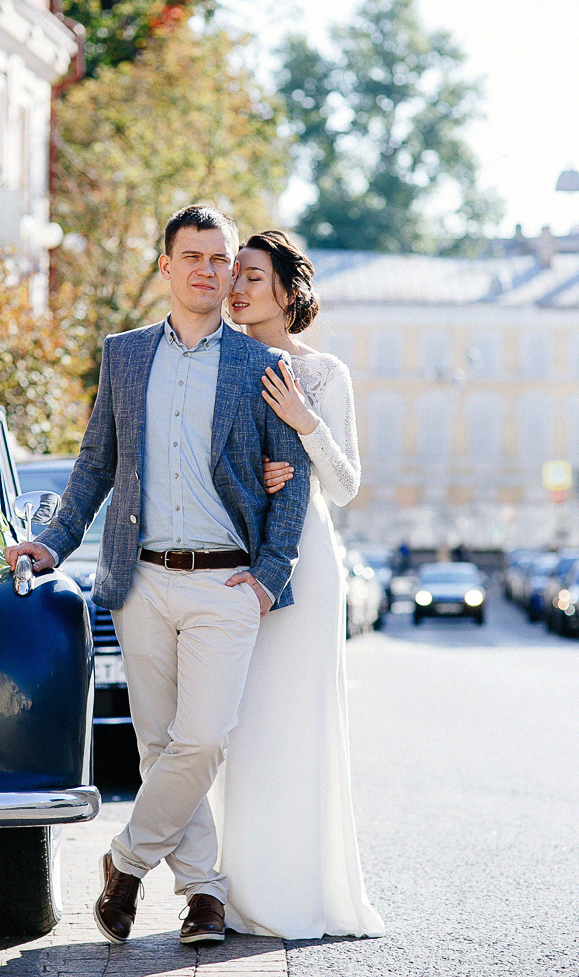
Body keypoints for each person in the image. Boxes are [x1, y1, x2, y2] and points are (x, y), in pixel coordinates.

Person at [5, 206, 310, 946]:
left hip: (227, 584)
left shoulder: (262, 365)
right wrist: (51, 541)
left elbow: (291, 474)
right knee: (155, 746)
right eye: (193, 256)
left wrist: (269, 575)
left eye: (220, 258)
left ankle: (125, 862)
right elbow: (95, 463)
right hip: (138, 579)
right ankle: (203, 893)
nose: (208, 270)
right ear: (166, 266)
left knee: (201, 738)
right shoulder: (125, 355)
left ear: (232, 268)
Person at [214, 228, 385, 940]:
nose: (237, 288)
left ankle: (305, 892)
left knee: (300, 722)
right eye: (235, 277)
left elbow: (345, 486)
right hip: (233, 559)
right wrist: (252, 476)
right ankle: (243, 891)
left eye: (252, 276)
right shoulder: (219, 362)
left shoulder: (326, 373)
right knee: (243, 726)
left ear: (288, 289)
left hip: (308, 565)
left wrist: (304, 425)